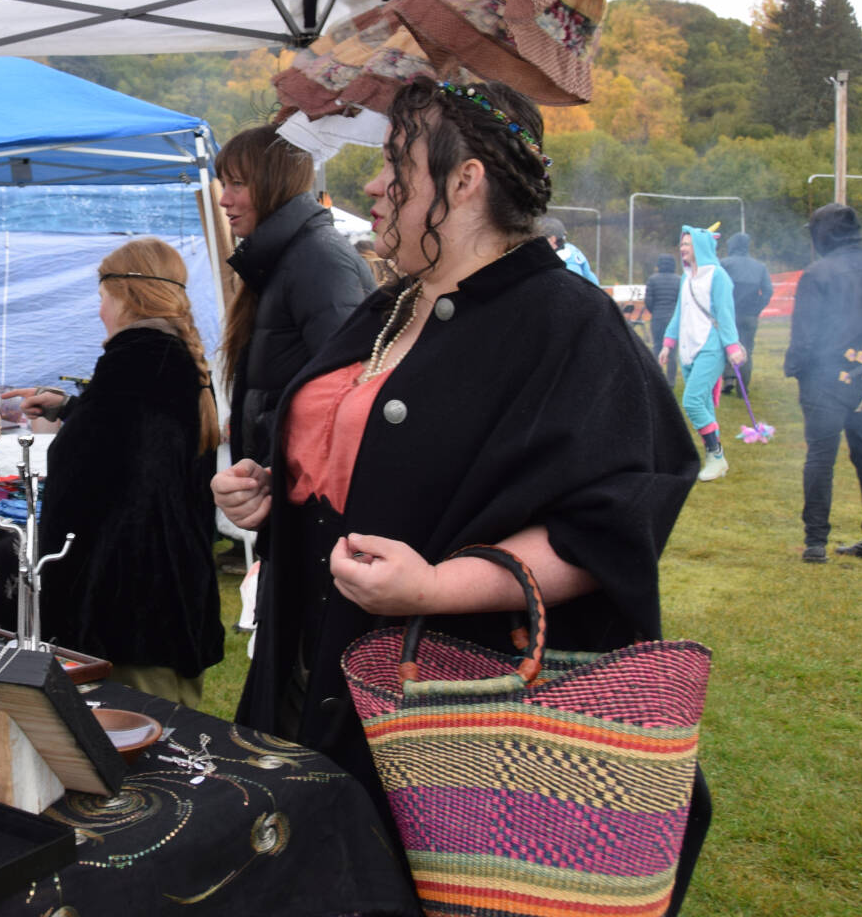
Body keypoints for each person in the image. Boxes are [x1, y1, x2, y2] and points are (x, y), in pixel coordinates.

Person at [211, 78, 707, 906]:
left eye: (395, 163)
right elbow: (340, 451)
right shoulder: (392, 303)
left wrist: (438, 586)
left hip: (442, 716)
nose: (373, 185)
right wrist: (271, 487)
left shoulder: (566, 321)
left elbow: (612, 518)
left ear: (465, 180)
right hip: (308, 672)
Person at [1, 239, 223, 705]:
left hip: (134, 608)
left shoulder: (135, 361)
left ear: (127, 296)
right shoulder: (167, 359)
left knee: (142, 741)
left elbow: (95, 476)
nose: (99, 311)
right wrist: (71, 410)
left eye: (102, 298)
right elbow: (137, 442)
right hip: (167, 592)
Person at [216, 125, 373, 467]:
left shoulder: (318, 259)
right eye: (224, 184)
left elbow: (348, 393)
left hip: (307, 490)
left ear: (276, 183)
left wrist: (281, 470)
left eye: (237, 184)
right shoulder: (288, 259)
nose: (224, 199)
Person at [783, 203, 862, 563]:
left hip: (824, 378)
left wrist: (795, 368)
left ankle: (815, 543)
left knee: (821, 458)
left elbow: (804, 336)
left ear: (823, 233)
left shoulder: (819, 273)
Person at [659, 226, 745, 481]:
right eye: (682, 244)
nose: (682, 248)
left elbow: (725, 313)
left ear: (700, 247)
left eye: (687, 244)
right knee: (704, 403)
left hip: (710, 346)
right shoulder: (687, 277)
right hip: (688, 346)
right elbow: (679, 312)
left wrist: (731, 346)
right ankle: (713, 460)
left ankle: (716, 455)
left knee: (692, 401)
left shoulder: (717, 276)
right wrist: (668, 343)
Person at [717, 232, 774, 397]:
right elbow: (768, 291)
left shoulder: (724, 264)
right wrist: (757, 308)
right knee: (747, 350)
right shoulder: (760, 267)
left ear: (731, 246)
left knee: (727, 346)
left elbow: (717, 288)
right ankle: (743, 390)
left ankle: (727, 379)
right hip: (750, 315)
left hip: (729, 314)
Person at [644, 253, 682, 385]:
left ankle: (656, 378)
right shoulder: (679, 280)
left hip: (658, 318)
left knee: (657, 346)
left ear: (658, 265)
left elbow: (648, 301)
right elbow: (681, 301)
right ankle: (671, 381)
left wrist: (655, 311)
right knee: (672, 351)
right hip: (673, 319)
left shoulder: (652, 279)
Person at [536, 214, 599, 283]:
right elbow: (591, 278)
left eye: (539, 238)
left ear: (552, 239)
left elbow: (573, 288)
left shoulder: (567, 264)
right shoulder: (571, 250)